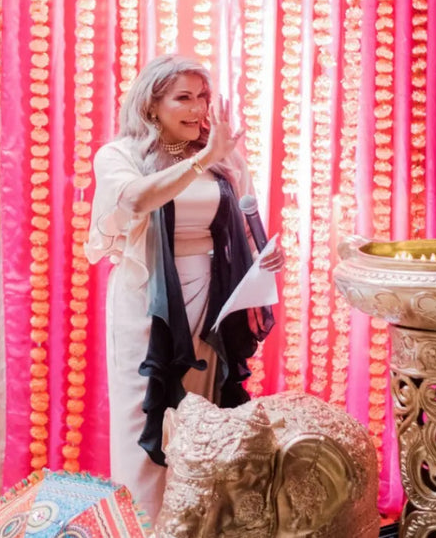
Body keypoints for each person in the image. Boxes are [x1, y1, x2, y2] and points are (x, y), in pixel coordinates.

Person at [85, 54, 284, 522]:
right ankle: (145, 524)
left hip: (212, 301)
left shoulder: (224, 156)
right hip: (147, 300)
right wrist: (202, 160)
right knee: (146, 414)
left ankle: (194, 525)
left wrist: (266, 256)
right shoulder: (120, 155)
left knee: (201, 416)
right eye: (184, 98)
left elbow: (245, 221)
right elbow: (136, 199)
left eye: (203, 97)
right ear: (152, 106)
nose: (198, 108)